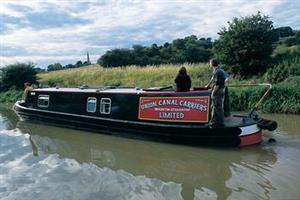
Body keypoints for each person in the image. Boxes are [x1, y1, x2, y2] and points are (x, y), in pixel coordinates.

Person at [205, 59, 228, 127]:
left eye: (210, 63)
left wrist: (213, 92)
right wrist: (208, 85)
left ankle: (217, 123)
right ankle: (217, 121)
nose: (209, 64)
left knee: (217, 107)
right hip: (220, 90)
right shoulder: (218, 70)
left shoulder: (218, 72)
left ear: (212, 64)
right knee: (217, 106)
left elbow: (217, 84)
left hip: (218, 91)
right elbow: (213, 80)